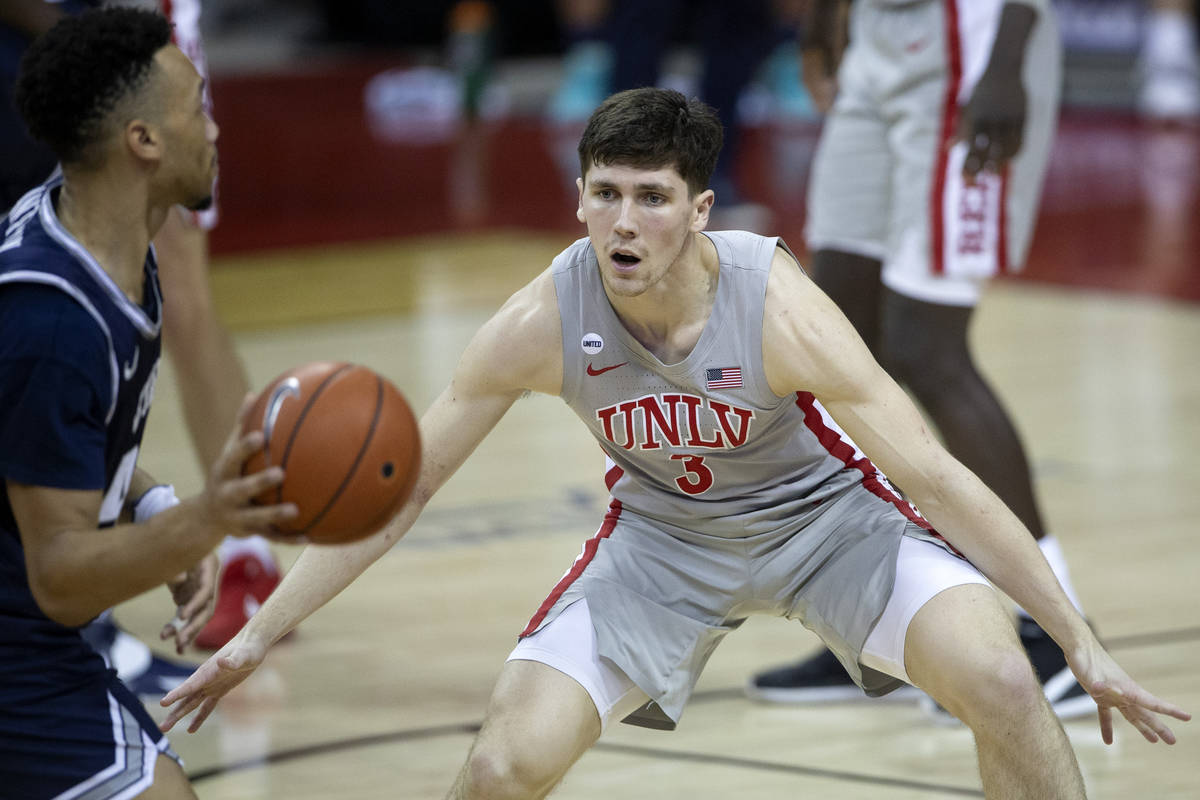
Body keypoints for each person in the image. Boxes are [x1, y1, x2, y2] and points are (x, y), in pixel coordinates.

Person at [163, 87, 1188, 798]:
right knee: (502, 767)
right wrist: (257, 634)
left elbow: (930, 472)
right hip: (661, 546)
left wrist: (1077, 635)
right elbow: (405, 488)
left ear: (698, 211)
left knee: (1004, 681)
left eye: (651, 198)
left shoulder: (777, 303)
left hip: (826, 524)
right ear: (577, 197)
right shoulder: (542, 318)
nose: (623, 221)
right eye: (605, 193)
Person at [746, 0, 1095, 720]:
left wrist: (1008, 56)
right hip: (876, 38)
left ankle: (1059, 633)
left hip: (971, 43)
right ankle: (881, 622)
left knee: (927, 350)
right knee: (837, 345)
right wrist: (823, 18)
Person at [0, 8, 298, 796]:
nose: (216, 128)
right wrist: (204, 520)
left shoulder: (98, 239)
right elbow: (60, 577)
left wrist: (154, 504)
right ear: (144, 141)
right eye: (198, 108)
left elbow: (53, 437)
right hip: (19, 656)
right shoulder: (57, 321)